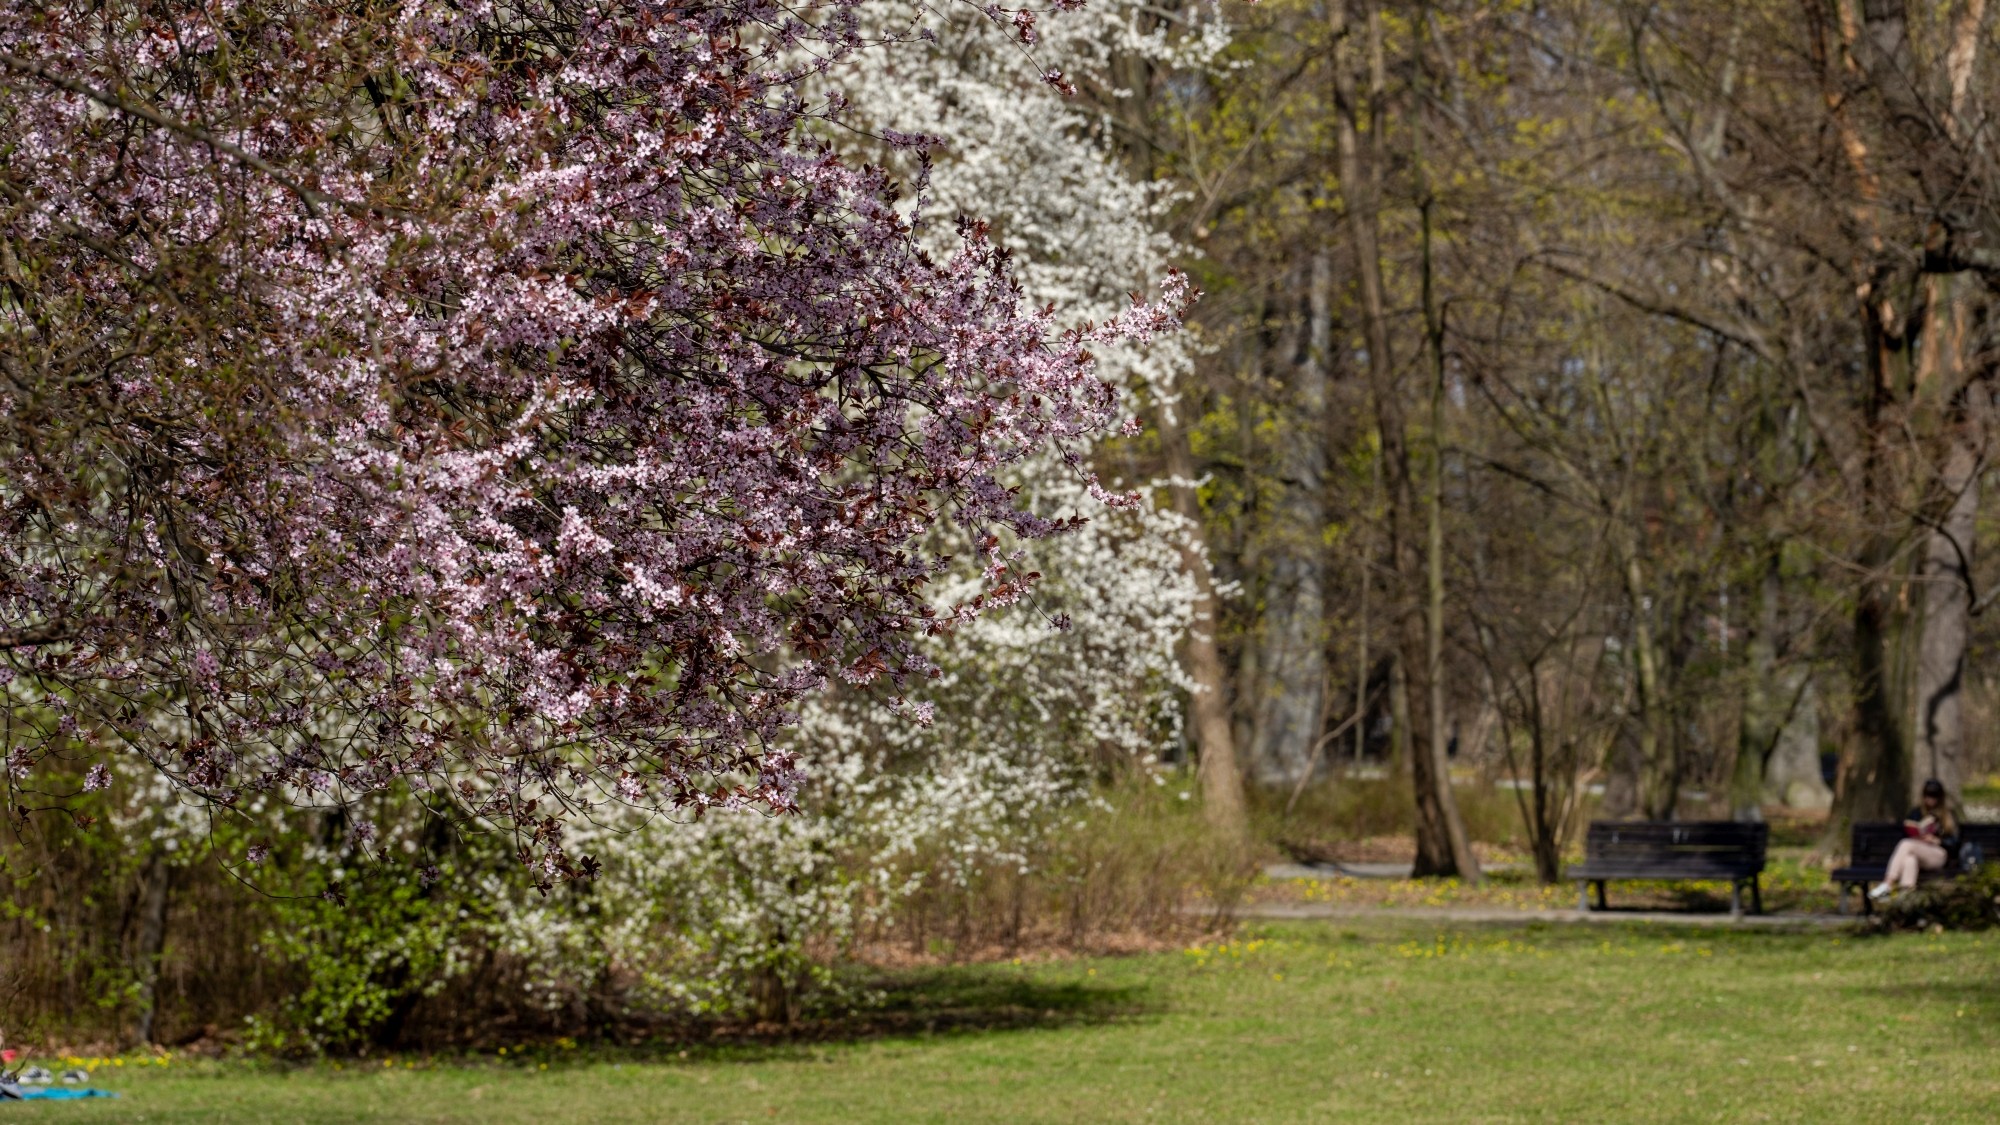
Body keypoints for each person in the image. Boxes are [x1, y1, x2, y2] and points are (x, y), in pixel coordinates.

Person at [1871, 778, 1959, 899]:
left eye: (1934, 796)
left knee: (1907, 844)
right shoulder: (1916, 813)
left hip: (1939, 854)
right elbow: (1907, 832)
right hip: (1918, 851)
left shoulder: (1948, 815)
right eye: (1928, 795)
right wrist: (1918, 836)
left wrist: (1937, 840)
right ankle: (1905, 899)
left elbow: (1955, 842)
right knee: (1909, 860)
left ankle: (1888, 883)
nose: (1931, 799)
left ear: (1940, 797)